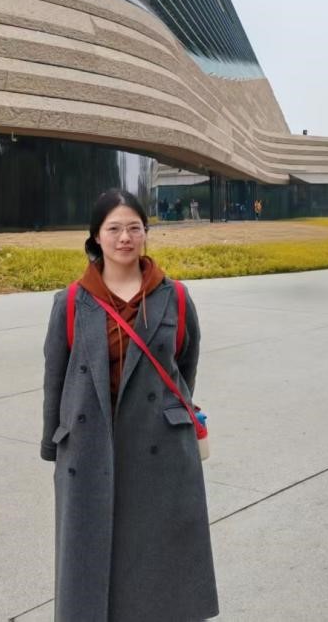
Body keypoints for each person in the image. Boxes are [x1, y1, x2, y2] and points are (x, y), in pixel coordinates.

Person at [41, 189, 217, 621]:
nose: (125, 238)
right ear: (96, 237)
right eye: (114, 229)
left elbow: (184, 367)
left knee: (157, 559)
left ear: (146, 233)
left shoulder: (174, 297)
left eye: (134, 228)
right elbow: (55, 380)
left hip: (159, 445)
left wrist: (167, 418)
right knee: (89, 557)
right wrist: (54, 445)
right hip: (89, 445)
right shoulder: (71, 302)